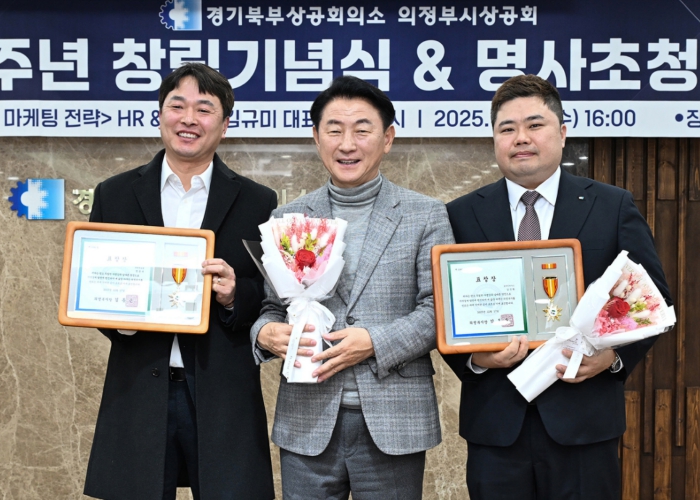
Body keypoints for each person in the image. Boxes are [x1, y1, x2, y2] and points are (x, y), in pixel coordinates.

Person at [444, 74, 671, 500]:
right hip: (496, 425)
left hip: (584, 423)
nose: (520, 138)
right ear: (494, 139)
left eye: (535, 125)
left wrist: (612, 359)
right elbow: (442, 308)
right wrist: (474, 360)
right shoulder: (459, 214)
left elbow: (653, 300)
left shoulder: (611, 205)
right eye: (507, 129)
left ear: (563, 133)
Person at [250, 75, 454, 499]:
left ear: (387, 138)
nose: (347, 144)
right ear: (316, 137)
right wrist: (264, 332)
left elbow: (439, 307)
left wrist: (375, 342)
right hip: (307, 420)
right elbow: (272, 306)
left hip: (394, 419)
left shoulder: (425, 215)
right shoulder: (289, 217)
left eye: (362, 130)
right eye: (334, 130)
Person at [83, 63, 276, 500]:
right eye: (178, 106)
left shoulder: (258, 201)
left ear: (224, 125)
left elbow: (269, 295)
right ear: (160, 115)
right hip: (138, 388)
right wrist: (123, 316)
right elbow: (96, 285)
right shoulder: (114, 194)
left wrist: (234, 295)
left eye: (204, 109)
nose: (189, 119)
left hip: (223, 392)